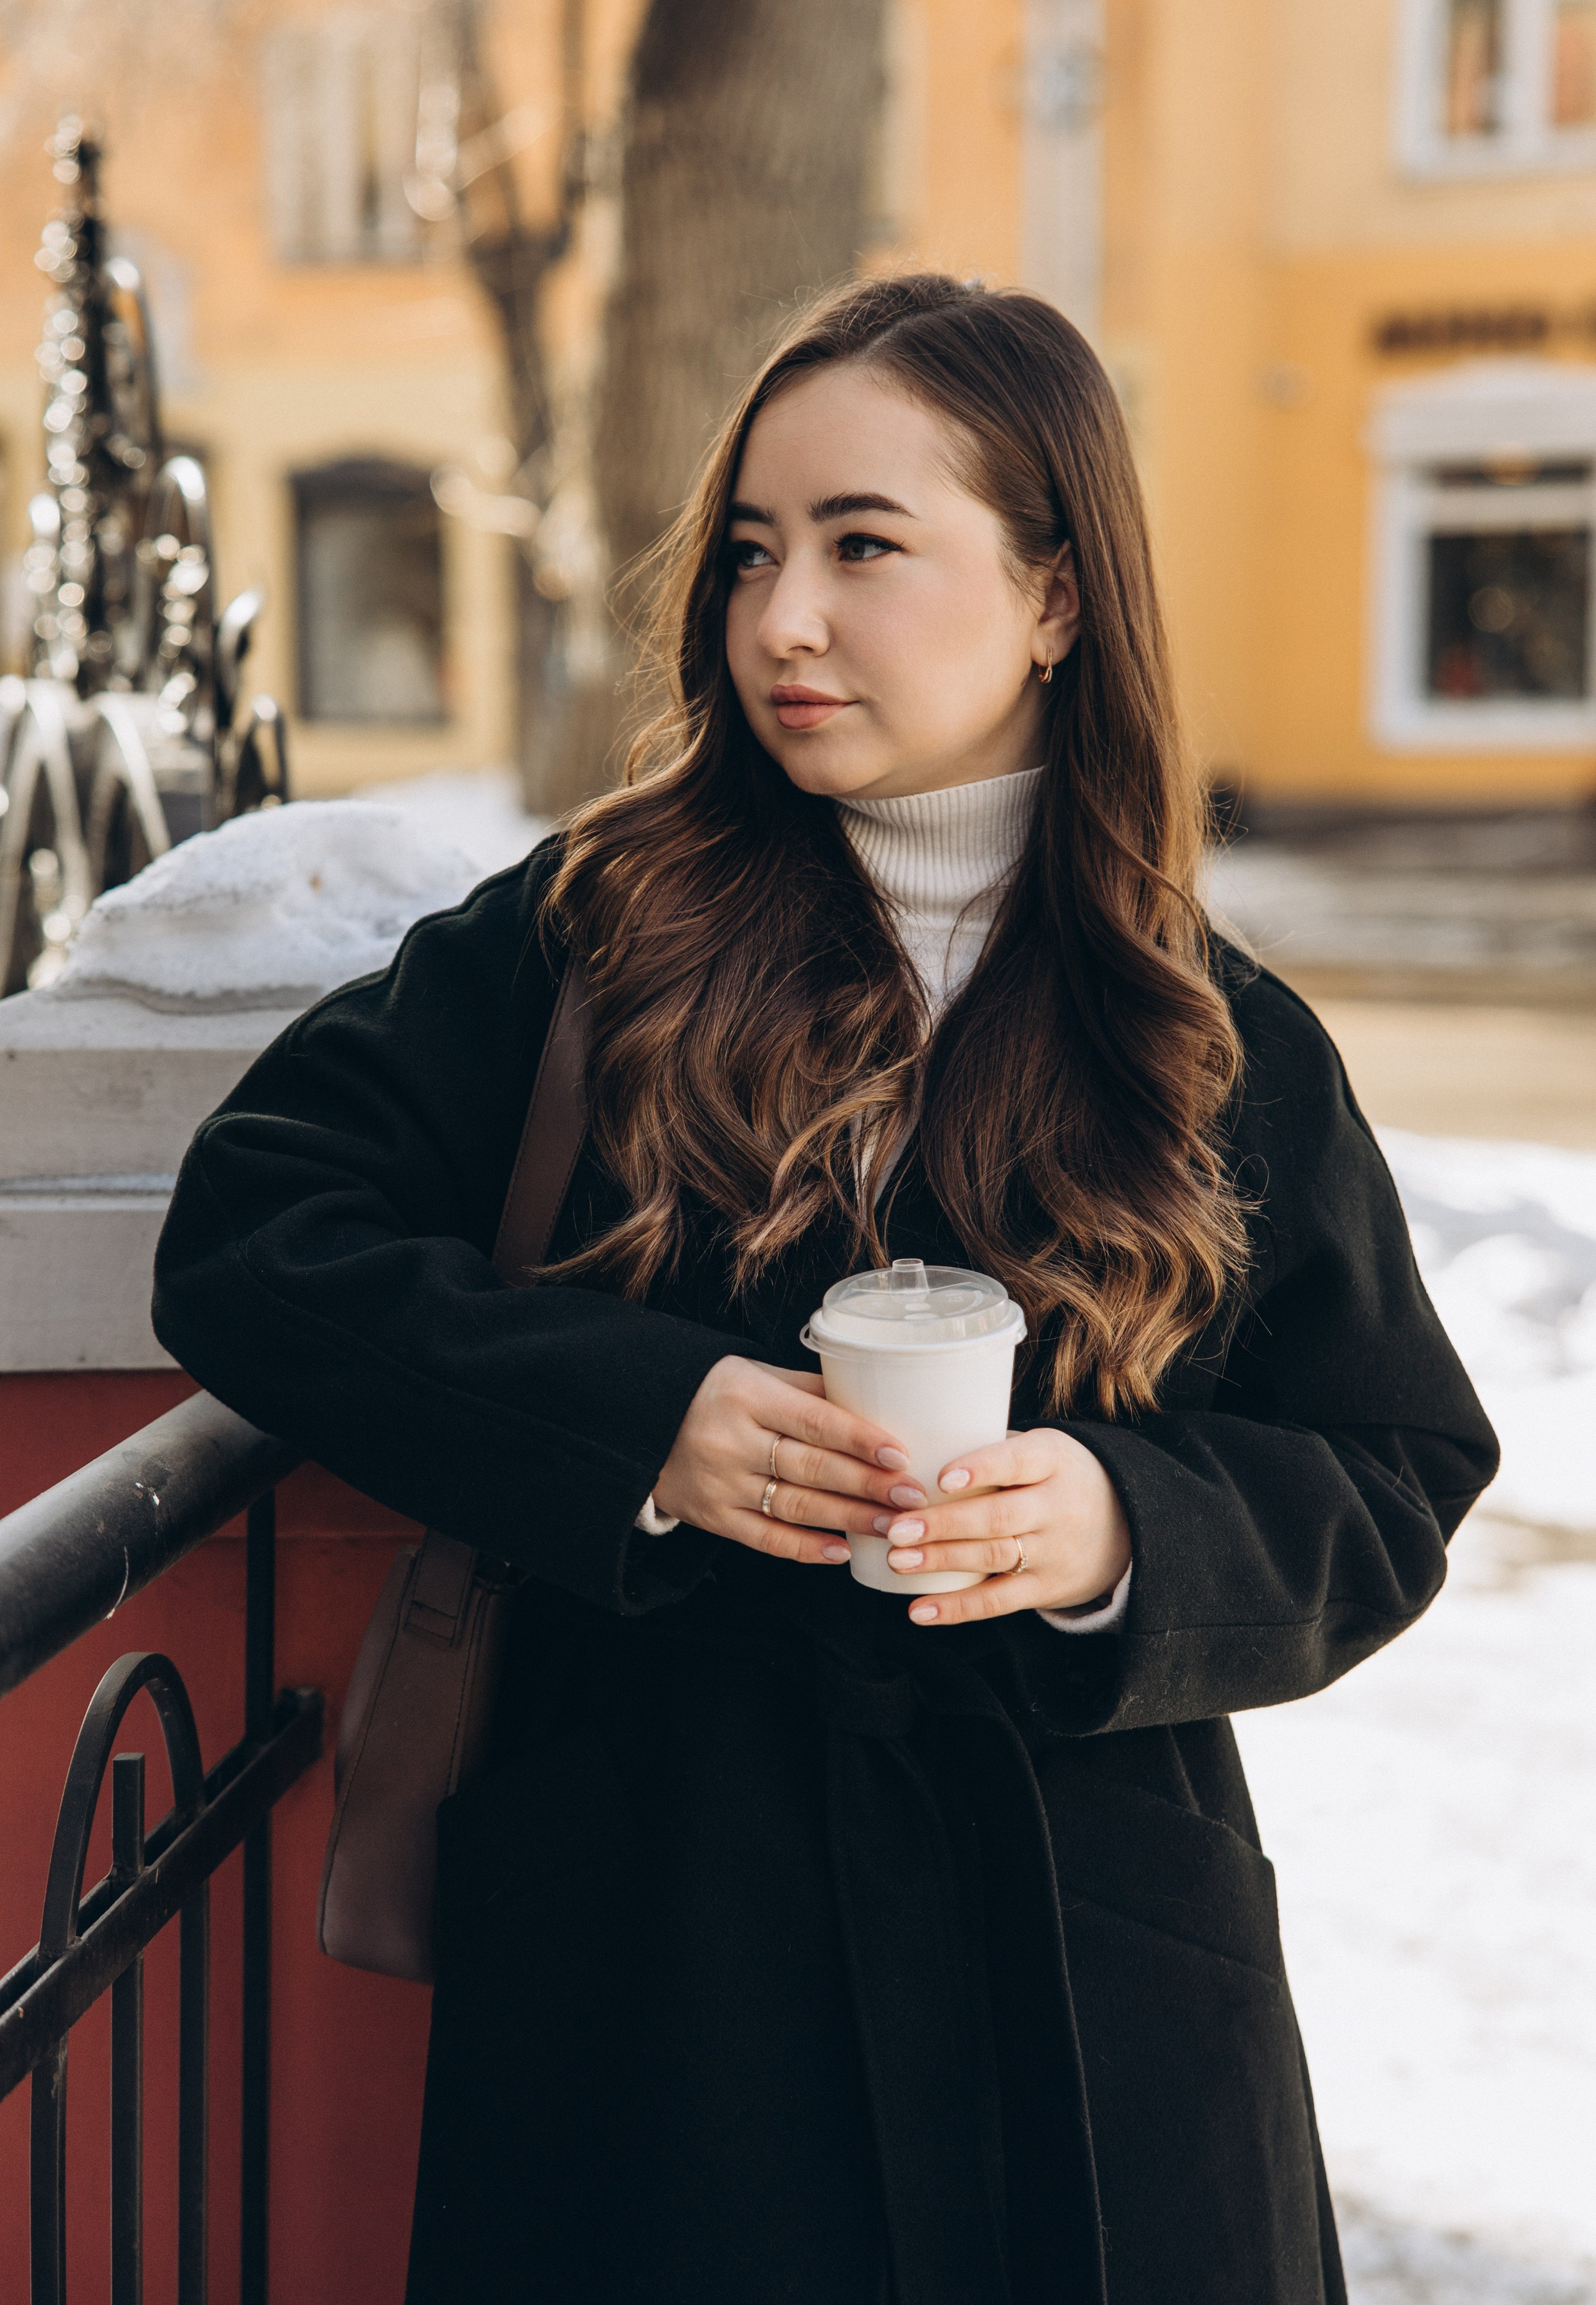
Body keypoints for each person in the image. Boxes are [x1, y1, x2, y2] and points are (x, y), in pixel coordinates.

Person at [153, 274, 1497, 2305]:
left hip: (1097, 1999)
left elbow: (1394, 1459)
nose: (782, 620)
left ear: (1056, 594)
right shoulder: (592, 939)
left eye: (867, 547)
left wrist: (1126, 1527)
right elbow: (253, 1236)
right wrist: (637, 1425)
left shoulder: (1209, 1035)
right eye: (755, 554)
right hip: (666, 1984)